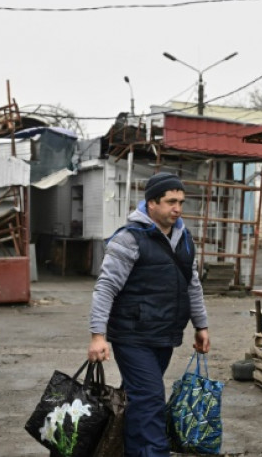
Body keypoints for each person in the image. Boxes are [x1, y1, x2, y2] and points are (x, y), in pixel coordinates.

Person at [87, 172, 210, 456]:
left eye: (181, 202)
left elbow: (192, 284)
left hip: (164, 334)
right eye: (170, 202)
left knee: (138, 398)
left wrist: (201, 325)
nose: (177, 208)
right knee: (151, 398)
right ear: (151, 203)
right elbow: (105, 287)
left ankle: (125, 449)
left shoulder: (184, 238)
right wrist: (97, 335)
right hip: (132, 335)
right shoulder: (129, 239)